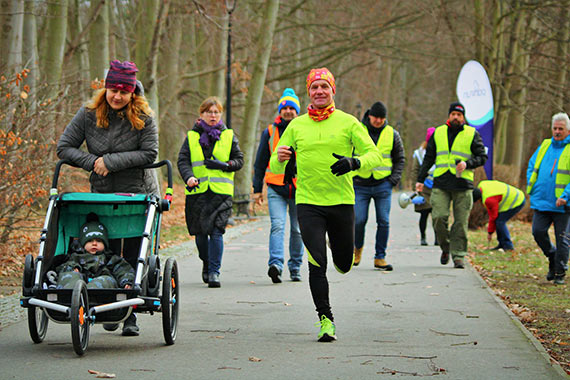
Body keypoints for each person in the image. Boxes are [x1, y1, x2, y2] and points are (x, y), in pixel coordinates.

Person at [270, 68, 381, 342]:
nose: (319, 91)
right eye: (314, 87)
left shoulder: (349, 122)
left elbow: (375, 156)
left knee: (343, 264)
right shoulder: (296, 125)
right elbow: (274, 164)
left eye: (324, 87)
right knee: (316, 263)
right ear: (309, 92)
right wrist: (281, 156)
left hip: (342, 203)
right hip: (308, 203)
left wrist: (355, 162)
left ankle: (338, 246)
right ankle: (325, 319)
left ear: (333, 90)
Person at [57, 60, 158, 336]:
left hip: (136, 191)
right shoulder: (89, 114)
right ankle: (107, 303)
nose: (117, 96)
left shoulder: (145, 118)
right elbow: (64, 147)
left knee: (133, 251)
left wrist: (110, 162)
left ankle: (130, 315)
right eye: (113, 89)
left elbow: (150, 154)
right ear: (105, 88)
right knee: (105, 247)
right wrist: (93, 162)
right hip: (100, 193)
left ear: (132, 93)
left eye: (124, 92)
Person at [177, 96, 244, 288]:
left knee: (216, 232)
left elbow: (239, 160)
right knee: (200, 234)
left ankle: (214, 271)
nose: (213, 116)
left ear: (220, 114)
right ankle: (206, 262)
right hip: (197, 191)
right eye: (209, 112)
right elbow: (183, 161)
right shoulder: (191, 136)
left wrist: (225, 165)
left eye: (216, 112)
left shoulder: (229, 136)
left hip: (221, 192)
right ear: (201, 114)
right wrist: (189, 177)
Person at [415, 102, 487, 269]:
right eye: (453, 114)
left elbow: (482, 157)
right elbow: (428, 158)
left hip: (463, 184)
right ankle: (446, 247)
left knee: (461, 222)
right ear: (449, 116)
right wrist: (420, 179)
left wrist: (468, 163)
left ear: (463, 118)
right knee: (438, 217)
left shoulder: (472, 134)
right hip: (441, 183)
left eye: (459, 115)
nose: (456, 117)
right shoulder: (438, 133)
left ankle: (458, 255)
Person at [253, 88, 304, 283]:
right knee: (277, 226)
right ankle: (276, 265)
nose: (288, 111)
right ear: (280, 111)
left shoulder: (303, 129)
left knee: (298, 229)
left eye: (292, 108)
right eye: (285, 108)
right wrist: (257, 189)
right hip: (276, 187)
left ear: (297, 111)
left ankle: (295, 266)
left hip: (299, 188)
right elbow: (260, 163)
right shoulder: (270, 131)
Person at [352, 101, 405, 270]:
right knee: (359, 220)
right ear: (369, 115)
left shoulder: (392, 134)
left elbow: (400, 159)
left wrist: (392, 180)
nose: (378, 121)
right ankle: (357, 249)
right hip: (360, 183)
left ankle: (380, 257)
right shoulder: (358, 130)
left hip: (383, 184)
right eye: (376, 117)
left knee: (384, 220)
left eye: (382, 118)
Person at [526, 112, 570, 285]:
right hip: (542, 201)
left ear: (568, 131)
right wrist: (533, 185)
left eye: (561, 129)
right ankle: (552, 257)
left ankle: (560, 272)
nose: (557, 132)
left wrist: (565, 196)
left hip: (563, 205)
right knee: (538, 232)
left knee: (563, 240)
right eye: (555, 128)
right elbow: (532, 165)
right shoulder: (544, 145)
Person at [55, 213, 134, 291]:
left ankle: (89, 295)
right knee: (69, 276)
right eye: (90, 241)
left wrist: (127, 281)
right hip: (78, 285)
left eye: (99, 241)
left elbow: (124, 270)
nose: (94, 244)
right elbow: (62, 267)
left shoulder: (110, 258)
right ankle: (70, 295)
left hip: (103, 284)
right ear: (83, 244)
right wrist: (73, 268)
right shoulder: (75, 256)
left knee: (106, 280)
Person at [472, 180, 525, 251]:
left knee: (500, 222)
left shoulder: (489, 200)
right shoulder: (482, 184)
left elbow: (493, 216)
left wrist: (490, 232)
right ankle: (502, 244)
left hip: (517, 201)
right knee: (499, 221)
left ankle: (508, 246)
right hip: (516, 194)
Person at [410, 127, 437, 246]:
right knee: (424, 213)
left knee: (437, 215)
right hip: (423, 187)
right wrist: (414, 187)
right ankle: (423, 237)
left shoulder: (441, 151)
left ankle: (437, 238)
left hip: (437, 186)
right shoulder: (419, 153)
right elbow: (415, 170)